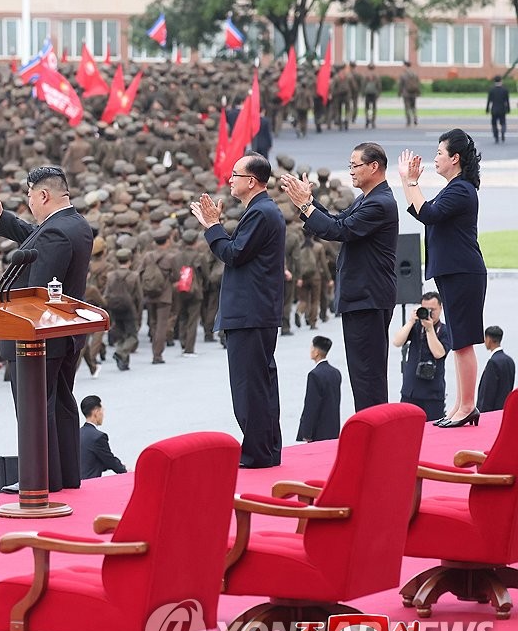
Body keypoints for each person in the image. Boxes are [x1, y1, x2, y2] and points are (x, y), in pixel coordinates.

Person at [0, 165, 93, 492]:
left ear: (43, 195)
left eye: (30, 196)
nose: (29, 202)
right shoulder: (74, 224)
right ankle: (62, 476)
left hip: (38, 335)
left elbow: (37, 291)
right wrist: (2, 217)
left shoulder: (56, 232)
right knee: (59, 403)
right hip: (64, 333)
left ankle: (39, 478)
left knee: (35, 408)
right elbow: (37, 239)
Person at [280, 142, 398, 411]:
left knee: (368, 374)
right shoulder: (366, 199)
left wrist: (305, 206)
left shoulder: (379, 203)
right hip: (362, 298)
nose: (352, 172)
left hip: (368, 298)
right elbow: (337, 220)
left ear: (374, 166)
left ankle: (375, 432)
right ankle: (372, 428)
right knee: (362, 373)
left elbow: (339, 231)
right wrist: (308, 203)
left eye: (355, 166)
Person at [190, 154, 285, 468]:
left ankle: (258, 452)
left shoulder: (261, 212)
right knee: (260, 384)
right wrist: (215, 228)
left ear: (252, 181)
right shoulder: (259, 211)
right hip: (255, 312)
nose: (229, 179)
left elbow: (234, 254)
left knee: (250, 387)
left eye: (235, 174)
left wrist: (213, 227)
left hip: (251, 313)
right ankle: (266, 449)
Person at [399, 129, 488, 427]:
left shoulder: (461, 189)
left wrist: (411, 181)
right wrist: (407, 181)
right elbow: (421, 210)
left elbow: (429, 214)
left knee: (463, 341)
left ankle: (467, 406)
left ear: (455, 158)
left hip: (463, 271)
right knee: (461, 342)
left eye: (439, 153)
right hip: (454, 271)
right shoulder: (453, 187)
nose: (435, 158)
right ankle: (460, 406)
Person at [393, 292, 451, 422]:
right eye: (426, 309)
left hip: (433, 393)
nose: (429, 313)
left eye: (433, 310)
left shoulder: (445, 330)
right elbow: (397, 342)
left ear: (441, 308)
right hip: (411, 390)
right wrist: (410, 322)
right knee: (407, 429)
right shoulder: (415, 327)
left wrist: (430, 329)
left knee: (433, 433)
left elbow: (439, 353)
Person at [297, 335, 341, 443]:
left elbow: (311, 406)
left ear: (316, 352)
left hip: (318, 431)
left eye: (312, 348)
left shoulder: (314, 375)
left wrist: (306, 432)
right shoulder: (335, 372)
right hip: (333, 428)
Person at [78, 395, 125, 479]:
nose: (103, 414)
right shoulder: (98, 437)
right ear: (96, 412)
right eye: (102, 411)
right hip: (91, 483)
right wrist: (125, 470)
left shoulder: (78, 434)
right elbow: (109, 460)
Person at [478, 326, 515, 413]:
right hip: (504, 410)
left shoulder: (493, 362)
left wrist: (483, 413)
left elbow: (488, 392)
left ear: (489, 339)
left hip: (491, 412)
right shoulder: (510, 361)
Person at [487, 75, 510, 144]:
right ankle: (502, 132)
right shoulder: (505, 90)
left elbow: (489, 101)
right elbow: (507, 101)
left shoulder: (491, 90)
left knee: (494, 124)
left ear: (494, 81)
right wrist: (508, 109)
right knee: (503, 122)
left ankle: (496, 136)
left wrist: (487, 109)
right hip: (502, 109)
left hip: (494, 109)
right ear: (501, 81)